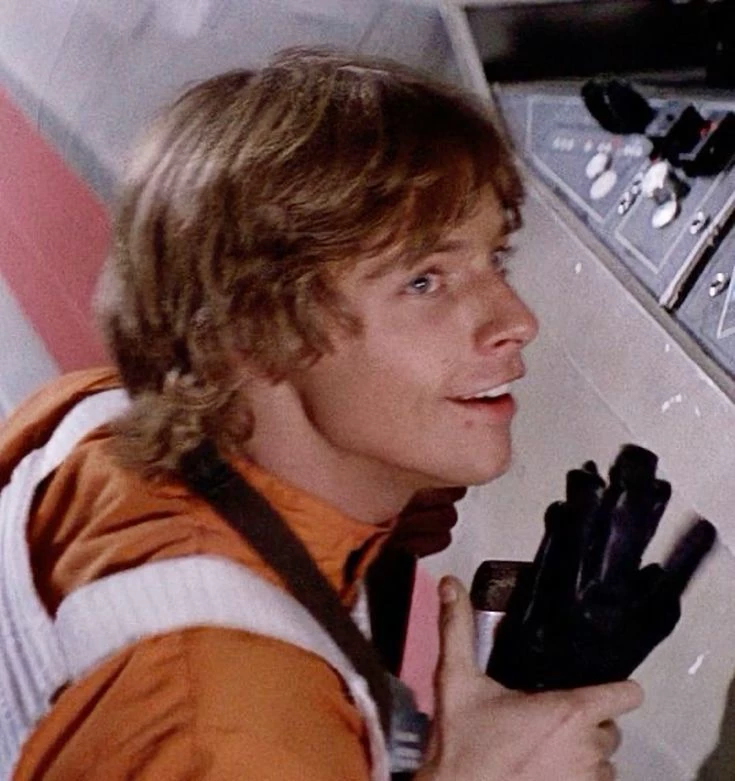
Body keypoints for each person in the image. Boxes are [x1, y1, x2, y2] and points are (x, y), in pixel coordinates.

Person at [0, 48, 642, 780]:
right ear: (253, 332)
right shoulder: (233, 726)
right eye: (423, 281)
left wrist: (370, 505)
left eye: (494, 258)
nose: (516, 320)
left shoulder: (94, 415)